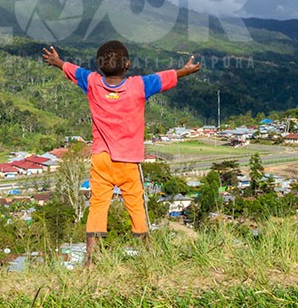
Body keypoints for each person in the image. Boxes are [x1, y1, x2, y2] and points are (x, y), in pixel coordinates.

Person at [42, 40, 200, 265]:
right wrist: (185, 71)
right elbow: (164, 77)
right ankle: (149, 253)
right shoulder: (139, 85)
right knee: (136, 204)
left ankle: (90, 258)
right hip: (128, 161)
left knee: (97, 206)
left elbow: (73, 70)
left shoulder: (93, 82)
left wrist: (57, 62)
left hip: (101, 159)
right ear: (127, 64)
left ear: (98, 65)